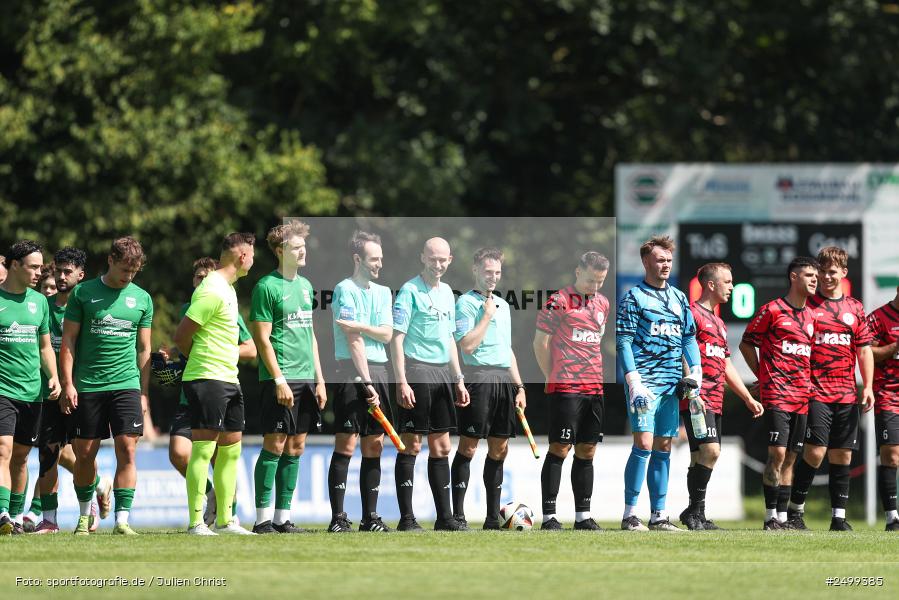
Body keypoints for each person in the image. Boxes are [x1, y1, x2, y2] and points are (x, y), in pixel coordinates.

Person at [60, 237, 153, 535]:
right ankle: (84, 515)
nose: (128, 276)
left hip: (126, 384)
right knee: (85, 454)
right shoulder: (83, 293)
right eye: (124, 269)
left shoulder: (142, 298)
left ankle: (122, 521)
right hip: (88, 385)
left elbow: (144, 349)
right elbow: (68, 340)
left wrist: (143, 392)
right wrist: (68, 383)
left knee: (128, 450)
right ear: (110, 260)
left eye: (134, 271)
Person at [785, 247, 873, 531]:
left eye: (831, 271)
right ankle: (795, 511)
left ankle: (838, 517)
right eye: (821, 271)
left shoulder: (855, 308)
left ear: (843, 273)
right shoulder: (808, 307)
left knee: (842, 455)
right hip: (815, 393)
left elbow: (864, 350)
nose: (825, 277)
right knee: (814, 452)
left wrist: (868, 386)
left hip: (846, 394)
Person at [617, 235, 701, 531]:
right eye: (659, 260)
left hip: (670, 384)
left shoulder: (679, 297)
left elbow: (688, 338)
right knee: (643, 443)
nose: (665, 265)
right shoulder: (634, 297)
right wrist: (633, 381)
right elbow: (623, 341)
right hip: (644, 384)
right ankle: (629, 515)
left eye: (668, 260)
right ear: (645, 262)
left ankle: (659, 515)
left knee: (664, 445)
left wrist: (696, 372)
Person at [163, 257, 255, 527]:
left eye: (207, 276)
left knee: (223, 455)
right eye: (198, 277)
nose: (202, 280)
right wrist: (171, 353)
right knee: (179, 453)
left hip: (219, 383)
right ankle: (210, 495)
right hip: (193, 391)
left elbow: (250, 349)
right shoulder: (188, 308)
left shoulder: (225, 300)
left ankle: (229, 516)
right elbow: (185, 341)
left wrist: (218, 352)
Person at [250, 220, 326, 535]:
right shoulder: (266, 287)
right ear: (280, 251)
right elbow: (262, 339)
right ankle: (261, 520)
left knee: (296, 446)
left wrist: (319, 379)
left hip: (306, 378)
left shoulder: (306, 286)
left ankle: (282, 518)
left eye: (303, 246)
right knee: (275, 444)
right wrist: (279, 379)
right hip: (281, 378)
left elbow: (311, 336)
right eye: (296, 247)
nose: (303, 251)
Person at [30, 248, 111, 534]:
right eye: (59, 271)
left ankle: (89, 504)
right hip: (46, 393)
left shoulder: (88, 307)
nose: (62, 277)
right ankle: (49, 520)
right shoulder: (41, 305)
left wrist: (72, 384)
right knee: (48, 455)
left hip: (81, 391)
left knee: (83, 454)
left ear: (81, 275)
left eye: (68, 272)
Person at [677, 263, 763, 530]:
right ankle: (695, 512)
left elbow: (725, 363)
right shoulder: (691, 314)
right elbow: (682, 352)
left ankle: (695, 514)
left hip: (715, 398)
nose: (732, 287)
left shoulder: (719, 322)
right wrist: (692, 391)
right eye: (727, 282)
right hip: (697, 398)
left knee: (699, 455)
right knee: (711, 451)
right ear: (711, 284)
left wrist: (747, 397)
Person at [392, 237, 470, 531]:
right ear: (422, 257)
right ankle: (407, 519)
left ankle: (444, 518)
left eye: (442, 259)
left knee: (442, 446)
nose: (437, 265)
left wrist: (458, 378)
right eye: (432, 258)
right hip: (417, 370)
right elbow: (397, 339)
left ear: (450, 260)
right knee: (412, 444)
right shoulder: (409, 291)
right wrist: (402, 380)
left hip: (442, 374)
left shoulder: (448, 292)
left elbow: (450, 339)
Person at [740, 256, 819, 530]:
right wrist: (763, 376)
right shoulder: (772, 310)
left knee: (792, 457)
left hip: (802, 398)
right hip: (777, 395)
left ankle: (783, 518)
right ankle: (770, 516)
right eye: (809, 275)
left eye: (816, 276)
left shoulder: (812, 316)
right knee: (777, 453)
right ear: (794, 277)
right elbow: (746, 344)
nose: (814, 280)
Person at [452, 247, 526, 529]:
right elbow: (467, 345)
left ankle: (492, 518)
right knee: (469, 446)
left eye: (497, 272)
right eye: (488, 272)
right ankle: (458, 516)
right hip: (479, 378)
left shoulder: (503, 305)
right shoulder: (465, 304)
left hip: (504, 381)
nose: (493, 277)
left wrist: (519, 387)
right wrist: (485, 316)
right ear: (475, 270)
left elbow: (508, 349)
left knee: (500, 448)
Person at [534, 251, 609, 531]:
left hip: (595, 387)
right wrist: (549, 375)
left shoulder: (603, 303)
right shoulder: (558, 301)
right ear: (578, 272)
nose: (595, 286)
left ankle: (583, 517)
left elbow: (597, 341)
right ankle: (549, 517)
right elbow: (540, 343)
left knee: (587, 450)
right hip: (566, 386)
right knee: (560, 447)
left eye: (600, 281)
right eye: (590, 280)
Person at [328, 231, 393, 532]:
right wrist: (366, 382)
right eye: (374, 259)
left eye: (381, 258)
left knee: (374, 444)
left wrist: (362, 326)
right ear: (358, 259)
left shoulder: (383, 292)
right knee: (347, 441)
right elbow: (352, 339)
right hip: (352, 372)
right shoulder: (344, 289)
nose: (379, 264)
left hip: (380, 370)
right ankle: (338, 518)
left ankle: (371, 518)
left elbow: (387, 334)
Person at [0, 240, 61, 535]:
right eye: (33, 267)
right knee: (3, 449)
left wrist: (54, 376)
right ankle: (2, 512)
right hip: (3, 390)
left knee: (22, 457)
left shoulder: (39, 303)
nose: (39, 273)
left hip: (33, 392)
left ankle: (14, 516)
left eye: (40, 267)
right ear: (15, 265)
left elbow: (45, 346)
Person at [866, 285, 899, 531]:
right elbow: (867, 353)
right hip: (888, 395)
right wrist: (894, 346)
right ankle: (892, 518)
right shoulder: (878, 318)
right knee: (891, 454)